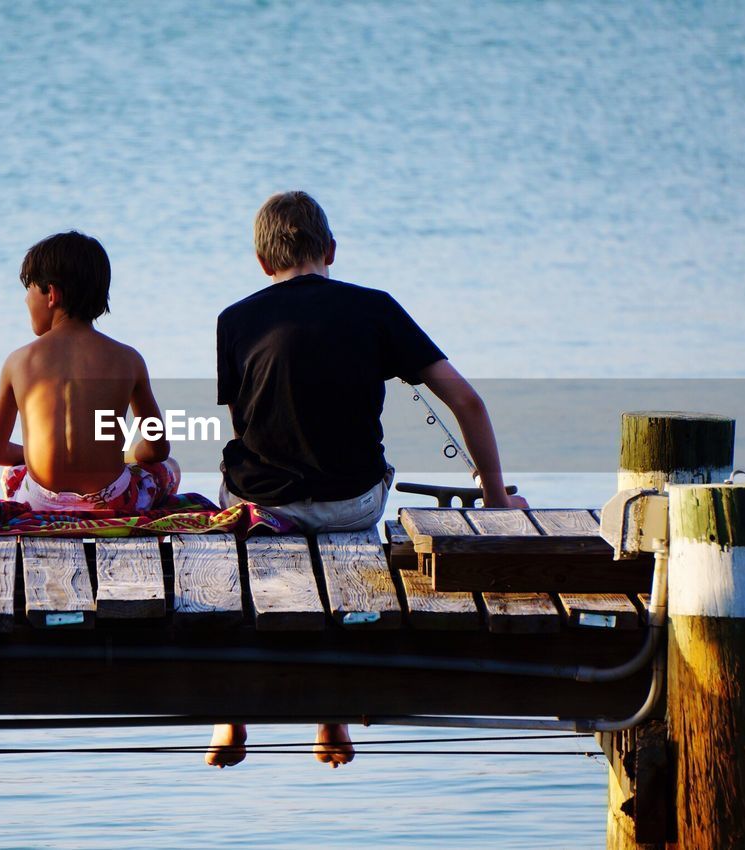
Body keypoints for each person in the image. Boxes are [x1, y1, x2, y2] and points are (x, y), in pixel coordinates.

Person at [205, 191, 528, 769]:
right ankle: (330, 717)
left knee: (234, 515)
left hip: (263, 509)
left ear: (260, 263)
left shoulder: (234, 320)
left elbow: (249, 423)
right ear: (331, 249)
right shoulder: (376, 308)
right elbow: (469, 403)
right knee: (346, 560)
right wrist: (497, 498)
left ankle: (231, 714)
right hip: (349, 505)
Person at [0, 231, 180, 513]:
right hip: (111, 502)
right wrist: (124, 456)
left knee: (11, 474)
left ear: (52, 294)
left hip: (41, 502)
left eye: (29, 289)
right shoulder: (128, 359)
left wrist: (42, 453)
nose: (26, 300)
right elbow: (159, 449)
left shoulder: (18, 361)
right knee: (168, 469)